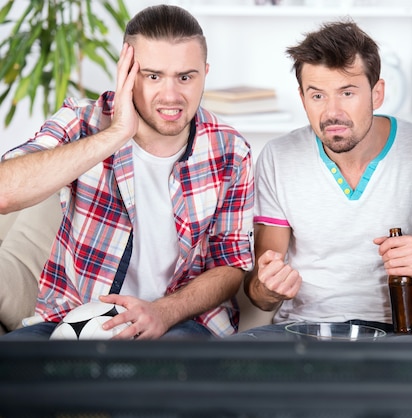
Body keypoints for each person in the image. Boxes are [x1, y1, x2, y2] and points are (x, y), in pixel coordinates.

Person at [0, 5, 254, 340]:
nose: (171, 96)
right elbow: (5, 191)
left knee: (159, 379)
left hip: (181, 322)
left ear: (204, 73)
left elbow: (231, 265)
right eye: (153, 76)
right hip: (74, 318)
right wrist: (116, 133)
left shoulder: (230, 150)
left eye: (185, 77)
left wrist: (163, 312)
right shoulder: (82, 121)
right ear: (127, 72)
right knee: (14, 370)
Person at [241, 20, 412, 338]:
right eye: (318, 96)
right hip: (303, 328)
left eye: (347, 92)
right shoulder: (277, 156)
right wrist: (269, 286)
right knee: (233, 365)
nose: (332, 112)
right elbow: (260, 293)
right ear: (302, 97)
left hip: (399, 330)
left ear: (376, 93)